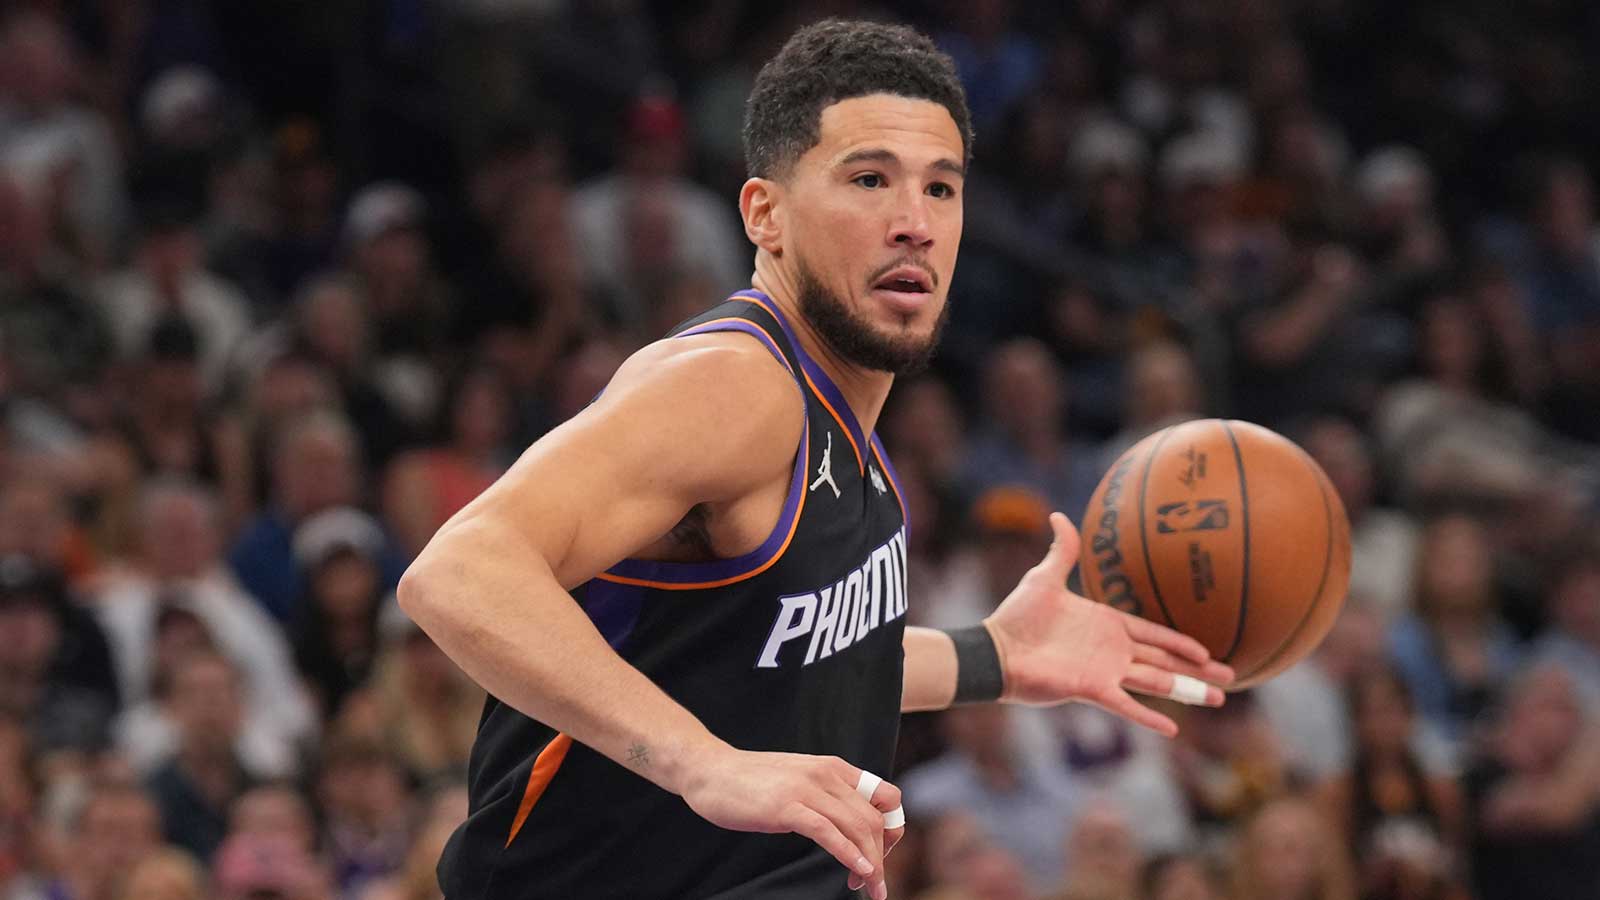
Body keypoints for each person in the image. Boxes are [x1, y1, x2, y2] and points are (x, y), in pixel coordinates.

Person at [398, 20, 1231, 900]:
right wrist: (702, 762)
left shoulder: (846, 417)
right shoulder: (739, 386)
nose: (914, 224)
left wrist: (996, 656)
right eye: (869, 180)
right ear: (766, 214)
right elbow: (459, 572)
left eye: (940, 188)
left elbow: (787, 655)